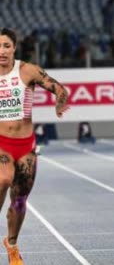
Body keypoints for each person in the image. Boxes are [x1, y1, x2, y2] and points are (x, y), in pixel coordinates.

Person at [0, 28, 69, 265]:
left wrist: (59, 104)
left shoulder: (27, 70)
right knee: (3, 179)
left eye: (6, 46)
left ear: (14, 48)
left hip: (26, 147)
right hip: (1, 144)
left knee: (19, 201)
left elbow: (59, 88)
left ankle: (12, 244)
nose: (1, 51)